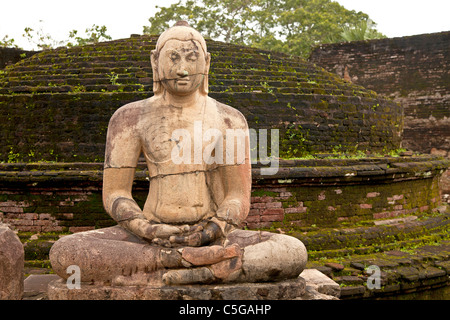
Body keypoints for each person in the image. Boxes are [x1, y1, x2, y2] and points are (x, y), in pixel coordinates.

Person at [50, 21, 307, 286]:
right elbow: (116, 194)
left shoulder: (229, 119)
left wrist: (213, 229)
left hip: (212, 235)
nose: (182, 69)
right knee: (65, 252)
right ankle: (184, 263)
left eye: (192, 58)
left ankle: (188, 268)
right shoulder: (129, 118)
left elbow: (237, 197)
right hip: (150, 236)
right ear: (155, 62)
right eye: (172, 58)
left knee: (292, 251)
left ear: (206, 63)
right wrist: (145, 228)